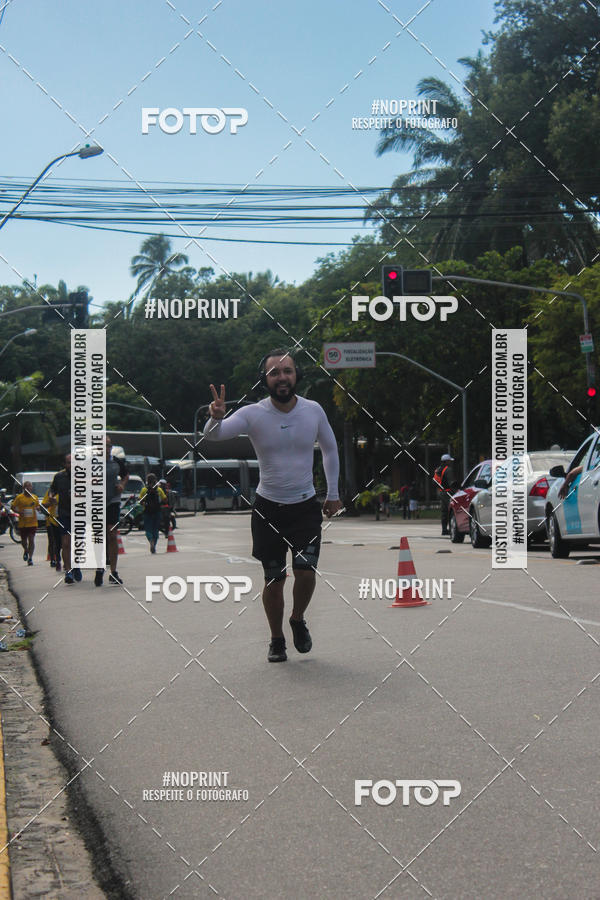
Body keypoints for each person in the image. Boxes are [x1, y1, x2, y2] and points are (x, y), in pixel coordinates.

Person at [204, 349, 342, 663]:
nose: (282, 378)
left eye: (287, 371)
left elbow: (330, 450)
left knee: (306, 572)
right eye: (274, 373)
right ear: (264, 379)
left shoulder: (313, 410)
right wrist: (215, 417)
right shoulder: (253, 413)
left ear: (296, 375)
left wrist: (333, 493)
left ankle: (297, 619)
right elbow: (213, 436)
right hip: (268, 509)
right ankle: (276, 639)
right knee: (274, 578)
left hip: (305, 507)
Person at [95, 436, 129, 586]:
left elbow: (126, 475)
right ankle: (99, 568)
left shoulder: (116, 462)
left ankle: (113, 572)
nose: (106, 449)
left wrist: (122, 485)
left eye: (108, 446)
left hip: (113, 501)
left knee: (112, 535)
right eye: (103, 446)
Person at [50, 454, 81, 584]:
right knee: (66, 543)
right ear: (65, 464)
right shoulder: (59, 477)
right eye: (68, 463)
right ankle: (68, 571)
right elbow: (52, 490)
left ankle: (76, 565)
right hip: (64, 514)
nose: (71, 465)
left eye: (73, 462)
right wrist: (51, 496)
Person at [11, 481, 40, 565]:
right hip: (23, 523)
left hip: (33, 523)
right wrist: (19, 512)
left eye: (30, 486)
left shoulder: (35, 497)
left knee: (31, 540)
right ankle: (26, 550)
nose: (28, 488)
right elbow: (13, 507)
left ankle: (30, 558)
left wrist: (38, 508)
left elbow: (37, 506)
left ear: (32, 488)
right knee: (24, 541)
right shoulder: (19, 497)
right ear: (23, 488)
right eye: (26, 487)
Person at [139, 474, 166, 553]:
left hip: (147, 512)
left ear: (147, 481)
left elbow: (140, 501)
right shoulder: (159, 490)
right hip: (157, 512)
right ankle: (154, 544)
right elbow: (165, 499)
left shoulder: (144, 490)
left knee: (148, 529)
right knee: (155, 529)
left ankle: (151, 540)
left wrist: (144, 504)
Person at [434, 454, 456, 535]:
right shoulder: (448, 470)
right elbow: (451, 482)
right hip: (448, 492)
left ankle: (444, 529)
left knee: (444, 512)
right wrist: (456, 490)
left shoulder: (438, 469)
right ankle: (451, 529)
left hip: (441, 492)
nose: (451, 462)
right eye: (449, 461)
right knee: (451, 510)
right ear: (446, 461)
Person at [41, 488, 61, 570]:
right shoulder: (51, 491)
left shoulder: (68, 489)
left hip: (64, 520)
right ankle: (54, 560)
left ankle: (66, 561)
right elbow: (43, 505)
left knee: (65, 542)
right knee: (53, 541)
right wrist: (51, 503)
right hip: (52, 520)